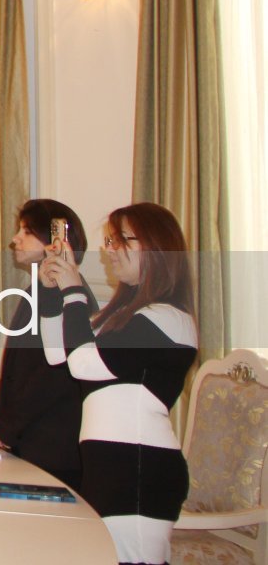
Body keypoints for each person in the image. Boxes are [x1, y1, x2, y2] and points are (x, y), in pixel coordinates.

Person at [42, 202, 196, 565]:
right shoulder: (124, 316)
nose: (108, 251)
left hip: (139, 468)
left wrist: (73, 289)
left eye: (117, 241)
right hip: (109, 468)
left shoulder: (168, 319)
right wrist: (52, 289)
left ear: (154, 246)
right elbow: (56, 354)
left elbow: (83, 362)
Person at [0, 198, 93, 493]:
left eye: (27, 232)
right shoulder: (41, 288)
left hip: (52, 444)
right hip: (31, 438)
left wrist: (8, 427)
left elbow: (51, 376)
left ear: (54, 241)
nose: (15, 239)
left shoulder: (65, 293)